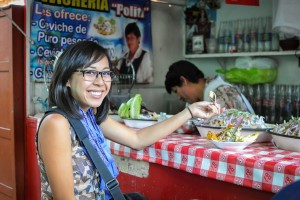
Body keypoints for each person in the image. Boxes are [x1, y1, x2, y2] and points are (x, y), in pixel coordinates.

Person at [36, 41, 223, 199]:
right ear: (67, 79)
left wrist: (190, 111)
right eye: (90, 72)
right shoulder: (57, 124)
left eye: (106, 73)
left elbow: (138, 139)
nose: (100, 82)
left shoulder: (89, 116)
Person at [164, 60, 254, 113]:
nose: (179, 98)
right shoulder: (199, 99)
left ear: (184, 81)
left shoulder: (220, 92)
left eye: (176, 91)